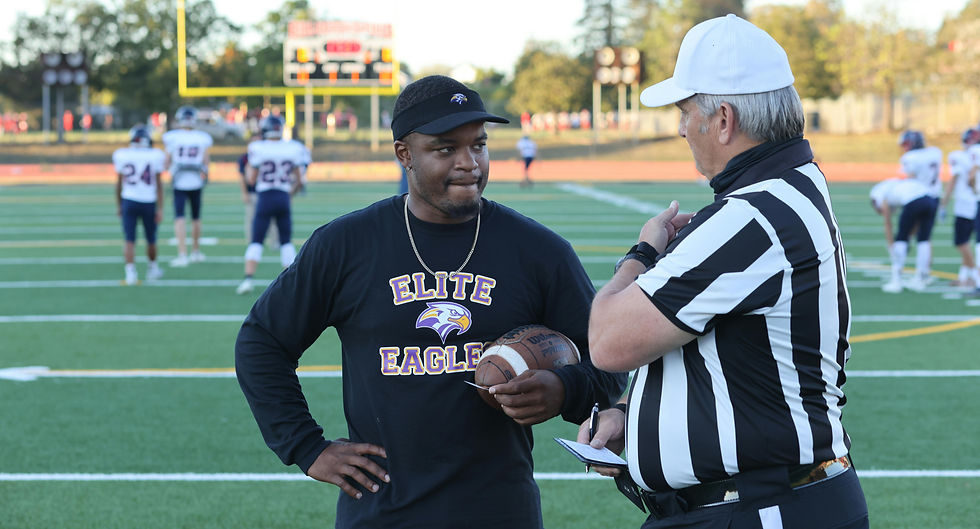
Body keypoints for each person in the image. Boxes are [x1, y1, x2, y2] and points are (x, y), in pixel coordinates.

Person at [235, 75, 627, 528]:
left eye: (478, 145)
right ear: (405, 154)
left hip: (499, 509)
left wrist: (564, 389)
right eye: (446, 149)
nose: (469, 163)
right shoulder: (346, 245)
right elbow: (261, 341)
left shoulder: (537, 249)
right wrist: (306, 446)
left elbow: (607, 358)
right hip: (381, 512)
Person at [577, 15, 868, 528]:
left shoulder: (752, 216)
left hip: (757, 509)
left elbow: (608, 342)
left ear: (724, 119)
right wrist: (639, 417)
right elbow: (731, 353)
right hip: (762, 502)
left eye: (687, 111)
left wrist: (641, 253)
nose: (682, 126)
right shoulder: (788, 190)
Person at [236, 115, 304, 295]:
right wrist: (289, 194)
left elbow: (251, 178)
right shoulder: (292, 148)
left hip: (265, 197)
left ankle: (248, 280)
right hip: (282, 196)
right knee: (286, 241)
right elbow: (299, 181)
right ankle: (291, 285)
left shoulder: (258, 148)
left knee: (256, 240)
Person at [113, 124, 166, 285]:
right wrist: (160, 208)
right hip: (149, 201)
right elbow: (159, 184)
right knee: (151, 238)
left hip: (129, 200)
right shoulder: (155, 155)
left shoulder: (122, 154)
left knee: (129, 239)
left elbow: (118, 184)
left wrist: (119, 204)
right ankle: (152, 268)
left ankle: (130, 273)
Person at [162, 105, 213, 267]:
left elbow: (166, 162)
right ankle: (195, 252)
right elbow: (206, 162)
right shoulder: (202, 137)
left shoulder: (172, 137)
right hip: (196, 181)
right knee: (196, 218)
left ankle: (182, 254)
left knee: (180, 218)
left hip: (179, 182)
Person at [870, 178, 936, 293]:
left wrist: (891, 244)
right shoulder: (892, 187)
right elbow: (914, 223)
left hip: (914, 199)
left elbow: (888, 222)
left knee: (901, 239)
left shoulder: (877, 195)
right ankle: (921, 278)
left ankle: (896, 281)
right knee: (924, 240)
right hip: (930, 199)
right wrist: (909, 236)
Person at [941, 127, 980, 288]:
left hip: (966, 204)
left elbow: (954, 180)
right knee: (970, 242)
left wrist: (944, 203)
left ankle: (975, 276)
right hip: (974, 202)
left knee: (962, 242)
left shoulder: (962, 155)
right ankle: (965, 276)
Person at [238, 133, 278, 245]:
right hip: (253, 192)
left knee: (272, 218)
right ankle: (251, 241)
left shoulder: (269, 154)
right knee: (251, 218)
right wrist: (244, 193)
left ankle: (274, 242)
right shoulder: (245, 157)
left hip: (267, 192)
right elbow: (243, 177)